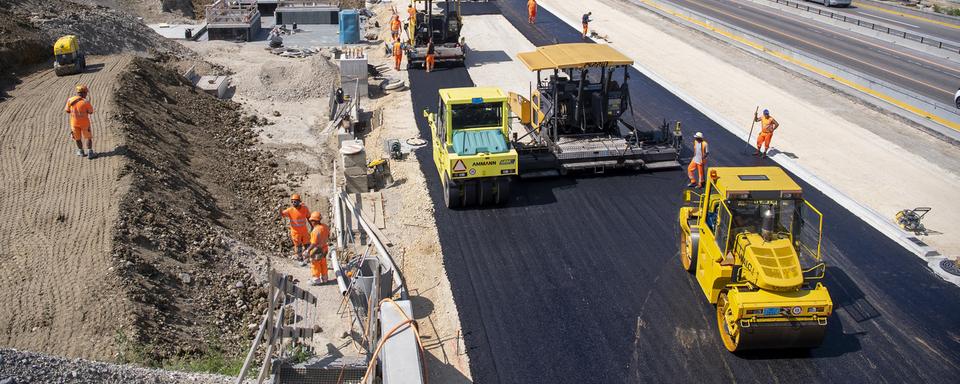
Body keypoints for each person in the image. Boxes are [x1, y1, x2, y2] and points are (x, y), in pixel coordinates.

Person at [65, 84, 95, 158]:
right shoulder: (85, 102)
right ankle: (90, 153)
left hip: (74, 124)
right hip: (85, 123)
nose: (86, 94)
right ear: (84, 93)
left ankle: (81, 152)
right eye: (86, 93)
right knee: (88, 137)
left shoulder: (70, 100)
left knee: (77, 138)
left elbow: (67, 110)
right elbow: (91, 112)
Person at [281, 194, 312, 265]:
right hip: (295, 233)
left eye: (295, 201)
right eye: (292, 202)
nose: (293, 203)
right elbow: (282, 214)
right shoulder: (290, 210)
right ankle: (300, 259)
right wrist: (280, 208)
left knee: (307, 245)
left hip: (304, 231)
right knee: (298, 247)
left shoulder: (304, 209)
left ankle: (307, 259)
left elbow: (308, 217)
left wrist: (312, 226)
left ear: (299, 202)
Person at [305, 211, 330, 285]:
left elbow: (313, 243)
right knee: (323, 263)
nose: (311, 222)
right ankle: (325, 278)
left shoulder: (315, 231)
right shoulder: (325, 226)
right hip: (325, 248)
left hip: (317, 250)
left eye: (311, 221)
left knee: (315, 264)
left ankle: (316, 279)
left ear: (314, 221)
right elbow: (328, 236)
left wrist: (307, 250)